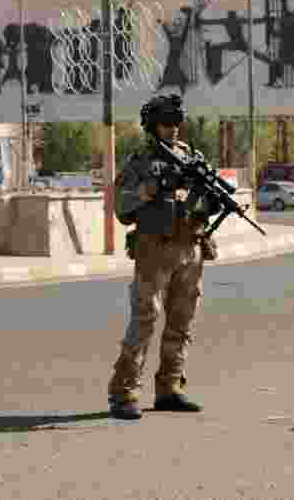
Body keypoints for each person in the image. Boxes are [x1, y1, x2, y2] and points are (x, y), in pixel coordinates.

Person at [106, 94, 220, 420]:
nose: (172, 129)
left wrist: (208, 198)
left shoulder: (190, 157)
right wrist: (152, 188)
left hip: (190, 249)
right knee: (145, 320)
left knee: (181, 321)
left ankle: (170, 387)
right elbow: (123, 209)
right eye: (165, 123)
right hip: (154, 250)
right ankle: (123, 391)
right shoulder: (140, 162)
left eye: (176, 123)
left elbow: (202, 204)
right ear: (152, 126)